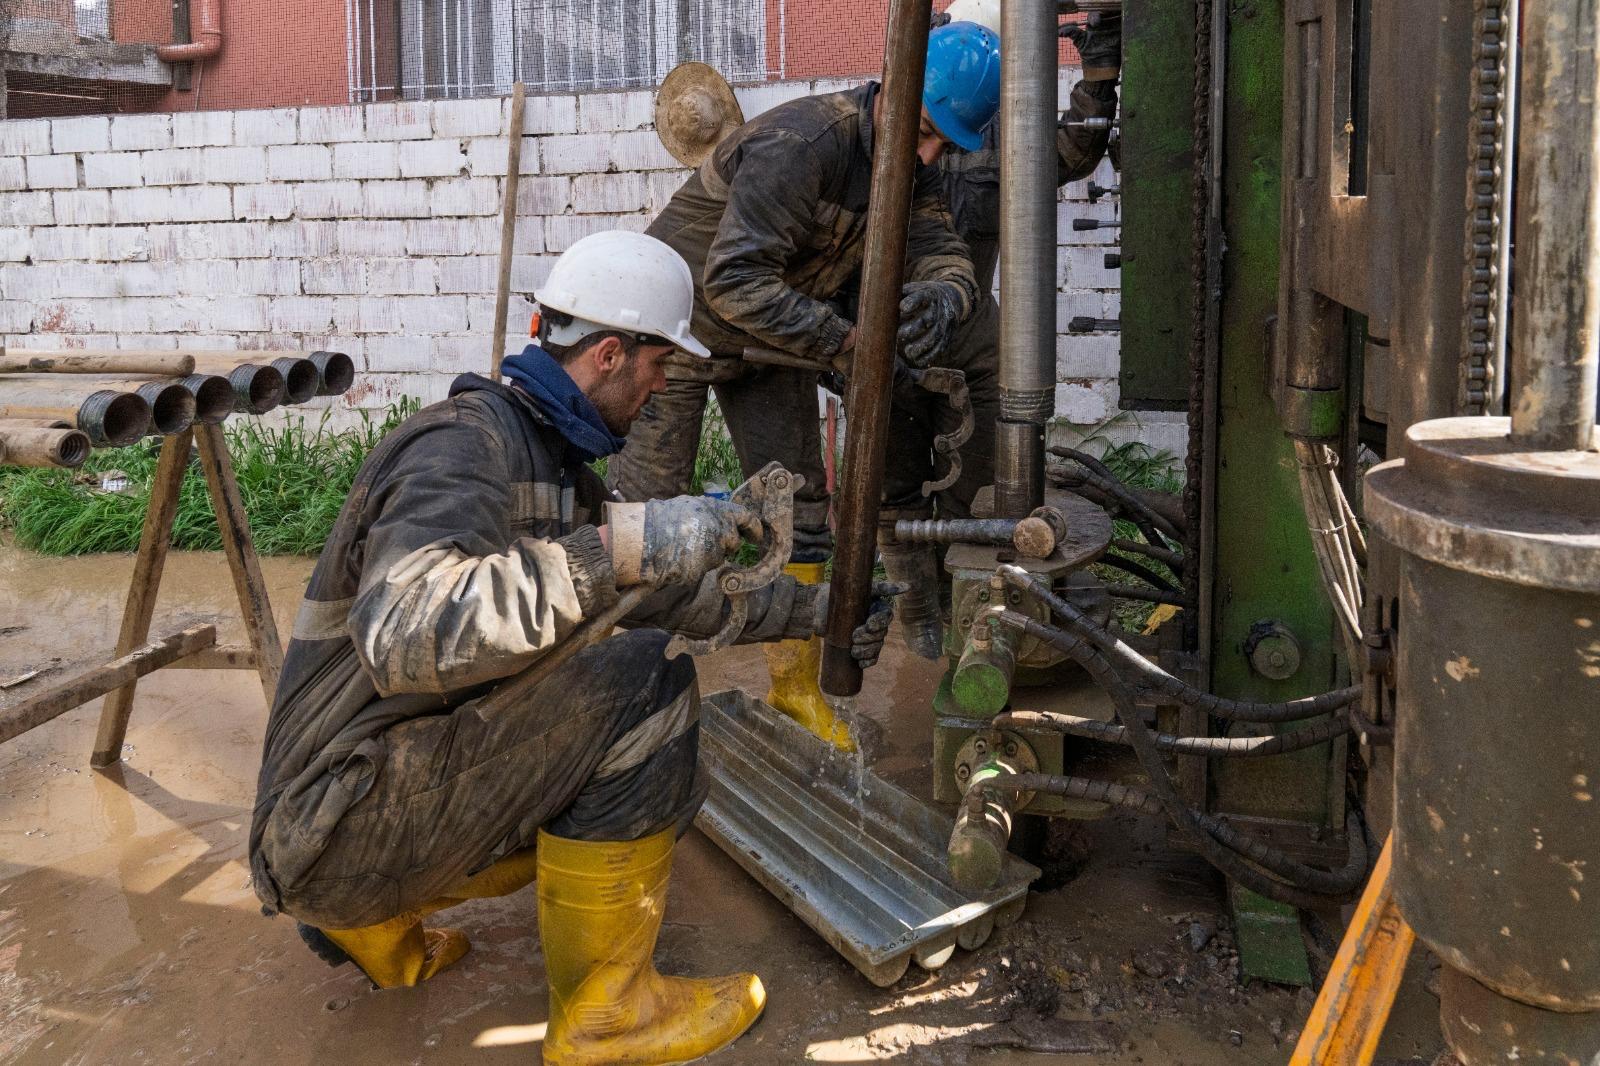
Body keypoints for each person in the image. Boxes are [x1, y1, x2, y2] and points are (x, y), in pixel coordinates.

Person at [247, 231, 897, 1065]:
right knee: (645, 683)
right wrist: (621, 547)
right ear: (610, 353)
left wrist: (816, 612)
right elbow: (406, 632)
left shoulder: (550, 468)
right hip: (331, 825)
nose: (662, 389)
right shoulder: (461, 448)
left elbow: (668, 596)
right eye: (659, 365)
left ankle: (373, 925)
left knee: (596, 680)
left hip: (341, 808)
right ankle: (608, 1017)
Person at [608, 20, 1003, 751]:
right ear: (891, 88)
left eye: (944, 145)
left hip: (768, 341)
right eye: (922, 132)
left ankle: (794, 694)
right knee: (642, 523)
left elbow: (941, 249)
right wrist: (848, 345)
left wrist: (946, 295)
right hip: (672, 332)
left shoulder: (915, 164)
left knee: (796, 514)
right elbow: (733, 281)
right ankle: (618, 707)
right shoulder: (803, 145)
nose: (927, 156)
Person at [877, 0, 1121, 658]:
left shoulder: (967, 126)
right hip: (927, 342)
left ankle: (942, 617)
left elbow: (1072, 148)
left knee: (930, 490)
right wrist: (1099, 70)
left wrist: (1100, 64)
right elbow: (1076, 147)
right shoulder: (962, 127)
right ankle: (934, 613)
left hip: (947, 342)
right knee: (933, 490)